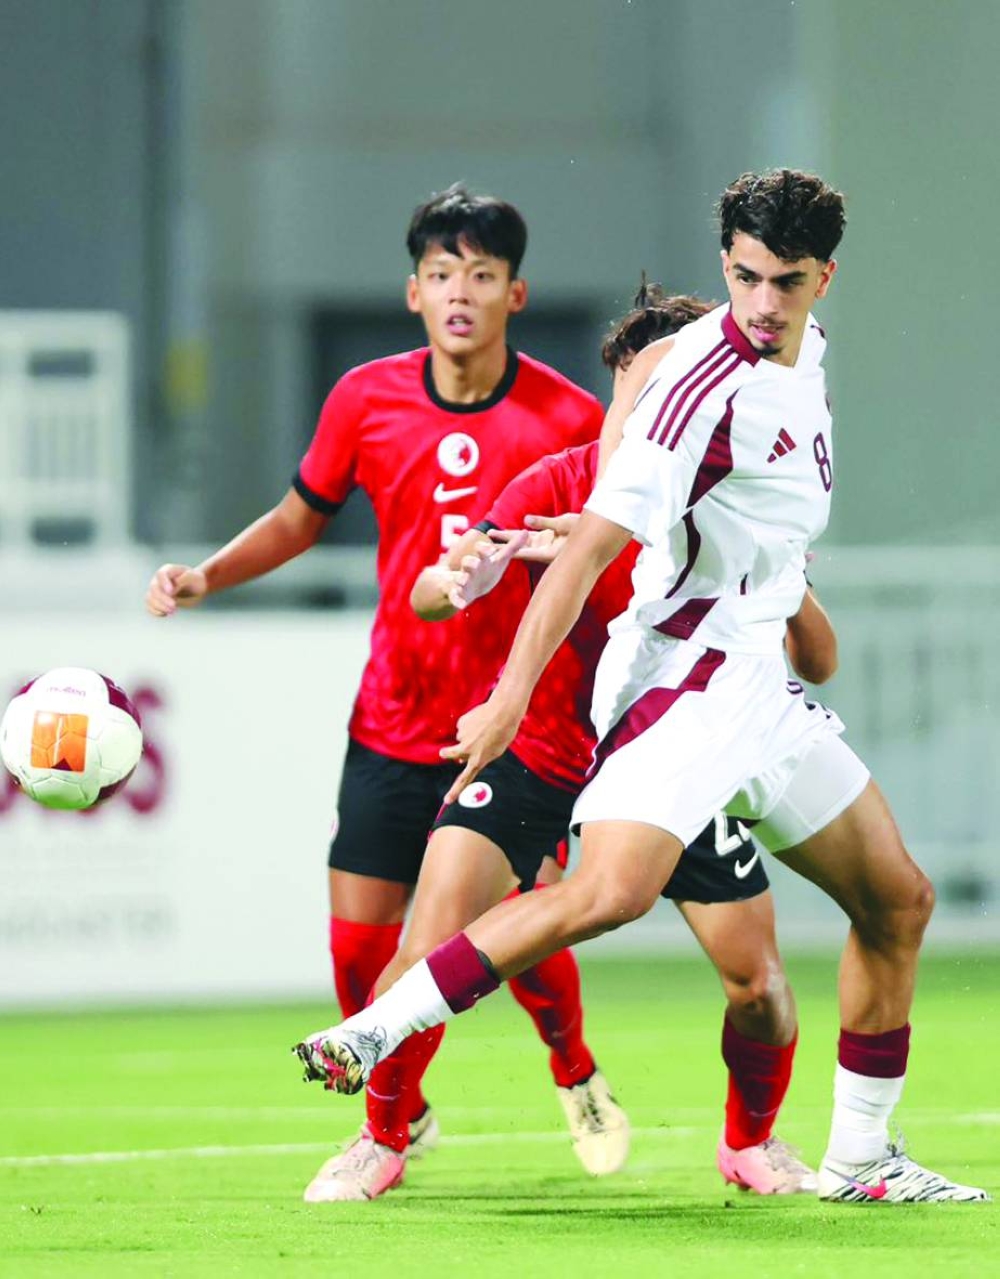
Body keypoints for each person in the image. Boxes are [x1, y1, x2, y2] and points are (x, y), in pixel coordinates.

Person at [294, 170, 990, 1205]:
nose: (761, 303)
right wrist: (513, 696)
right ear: (724, 266)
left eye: (784, 282)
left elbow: (780, 567)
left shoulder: (805, 363)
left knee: (897, 899)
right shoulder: (691, 395)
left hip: (761, 689)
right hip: (685, 684)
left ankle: (859, 1160)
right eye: (744, 277)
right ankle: (374, 1030)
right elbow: (579, 563)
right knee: (605, 894)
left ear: (822, 280)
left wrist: (784, 595)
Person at [144, 183, 625, 1199]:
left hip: (513, 733)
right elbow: (296, 514)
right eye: (442, 273)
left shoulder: (569, 419)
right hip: (392, 716)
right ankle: (408, 1108)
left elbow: (600, 576)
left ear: (515, 293)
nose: (461, 292)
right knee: (362, 955)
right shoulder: (364, 397)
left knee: (470, 939)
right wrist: (204, 575)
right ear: (412, 293)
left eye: (482, 275)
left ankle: (546, 1078)